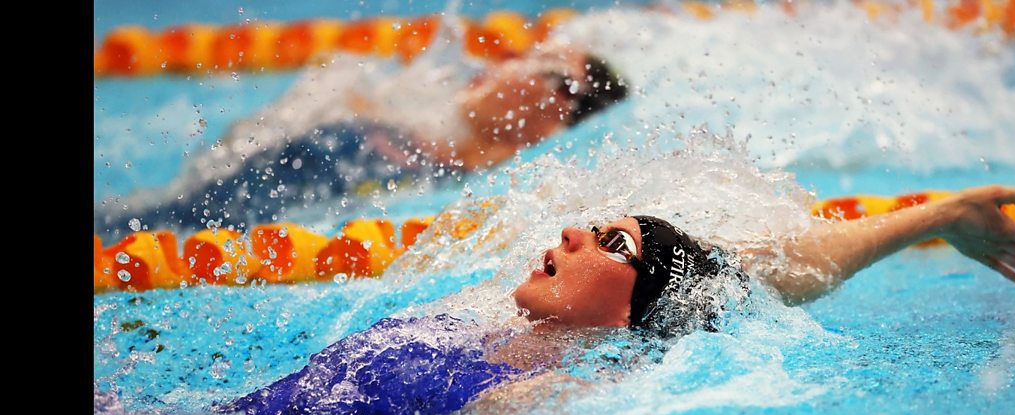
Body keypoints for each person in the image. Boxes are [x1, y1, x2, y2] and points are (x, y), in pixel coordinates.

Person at [218, 185, 1015, 415]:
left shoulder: (536, 396)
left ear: (634, 311)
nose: (567, 234)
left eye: (607, 242)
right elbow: (772, 266)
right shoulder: (490, 323)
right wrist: (936, 217)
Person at [93, 44, 629, 241]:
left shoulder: (460, 182)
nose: (514, 60)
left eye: (546, 67)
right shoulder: (419, 132)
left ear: (558, 110)